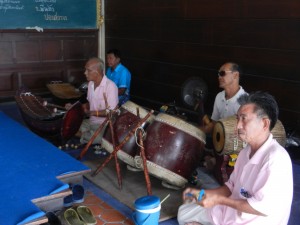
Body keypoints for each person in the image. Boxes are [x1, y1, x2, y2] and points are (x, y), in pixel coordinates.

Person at [177, 91, 293, 225]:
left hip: (254, 220)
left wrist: (218, 200)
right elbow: (231, 187)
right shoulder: (245, 152)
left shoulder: (276, 159)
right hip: (232, 211)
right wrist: (206, 194)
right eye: (238, 118)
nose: (238, 126)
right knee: (183, 212)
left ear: (265, 124)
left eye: (244, 118)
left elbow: (260, 207)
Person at [66, 57, 118, 144]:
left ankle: (83, 135)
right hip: (90, 122)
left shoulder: (111, 86)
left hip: (104, 125)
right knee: (69, 126)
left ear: (97, 72)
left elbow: (113, 112)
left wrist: (93, 113)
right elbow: (90, 104)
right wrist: (73, 107)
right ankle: (84, 134)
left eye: (88, 70)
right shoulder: (90, 84)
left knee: (97, 138)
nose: (85, 73)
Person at [200, 62, 246, 134]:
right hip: (218, 143)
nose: (219, 77)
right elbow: (215, 124)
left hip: (236, 144)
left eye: (222, 73)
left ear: (235, 75)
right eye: (218, 74)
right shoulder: (219, 96)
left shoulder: (247, 101)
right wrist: (196, 131)